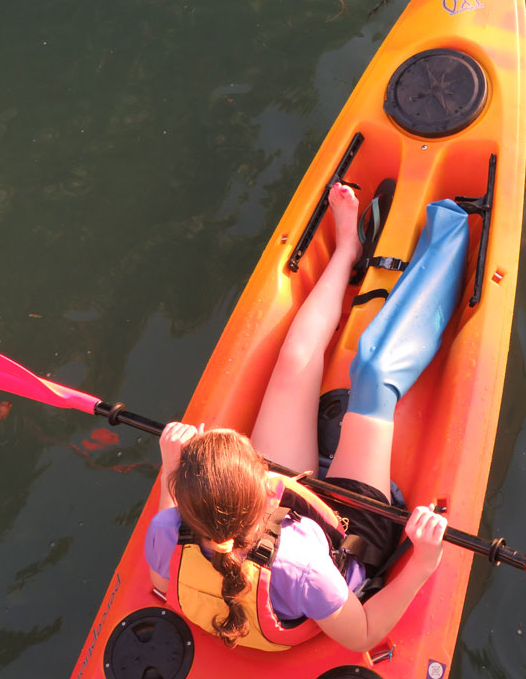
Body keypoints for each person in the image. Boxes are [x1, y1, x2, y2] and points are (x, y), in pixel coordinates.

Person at [145, 182, 448, 653]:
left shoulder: (170, 528)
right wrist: (424, 561)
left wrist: (170, 471)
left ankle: (348, 250)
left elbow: (159, 575)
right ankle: (447, 246)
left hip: (270, 526)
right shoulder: (302, 563)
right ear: (263, 489)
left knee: (293, 365)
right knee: (371, 376)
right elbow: (363, 633)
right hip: (349, 539)